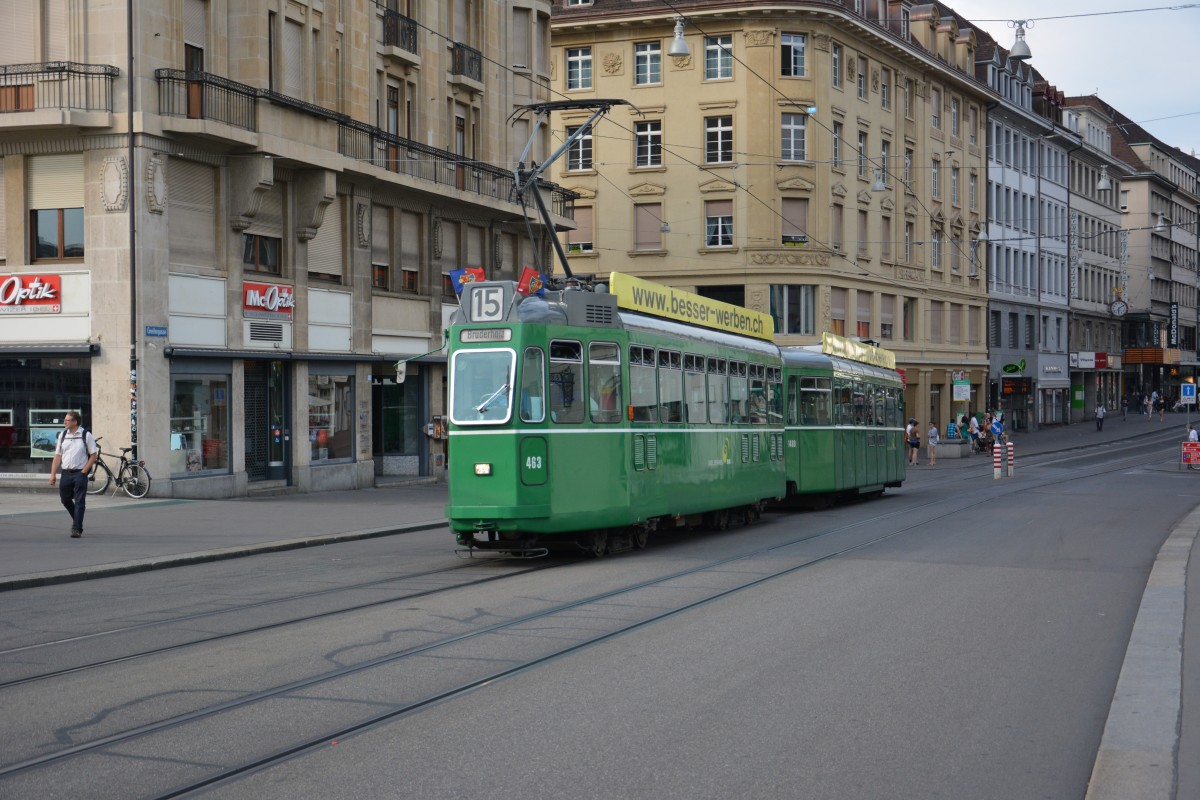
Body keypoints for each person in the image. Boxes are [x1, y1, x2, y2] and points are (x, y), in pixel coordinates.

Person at [47, 411, 99, 538]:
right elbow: (58, 456)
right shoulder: (63, 435)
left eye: (67, 420)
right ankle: (77, 519)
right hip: (66, 473)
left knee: (80, 501)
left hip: (80, 473)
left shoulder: (86, 435)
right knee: (65, 499)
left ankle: (77, 528)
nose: (64, 422)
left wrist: (84, 472)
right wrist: (53, 474)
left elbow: (93, 455)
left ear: (75, 421)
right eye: (65, 420)